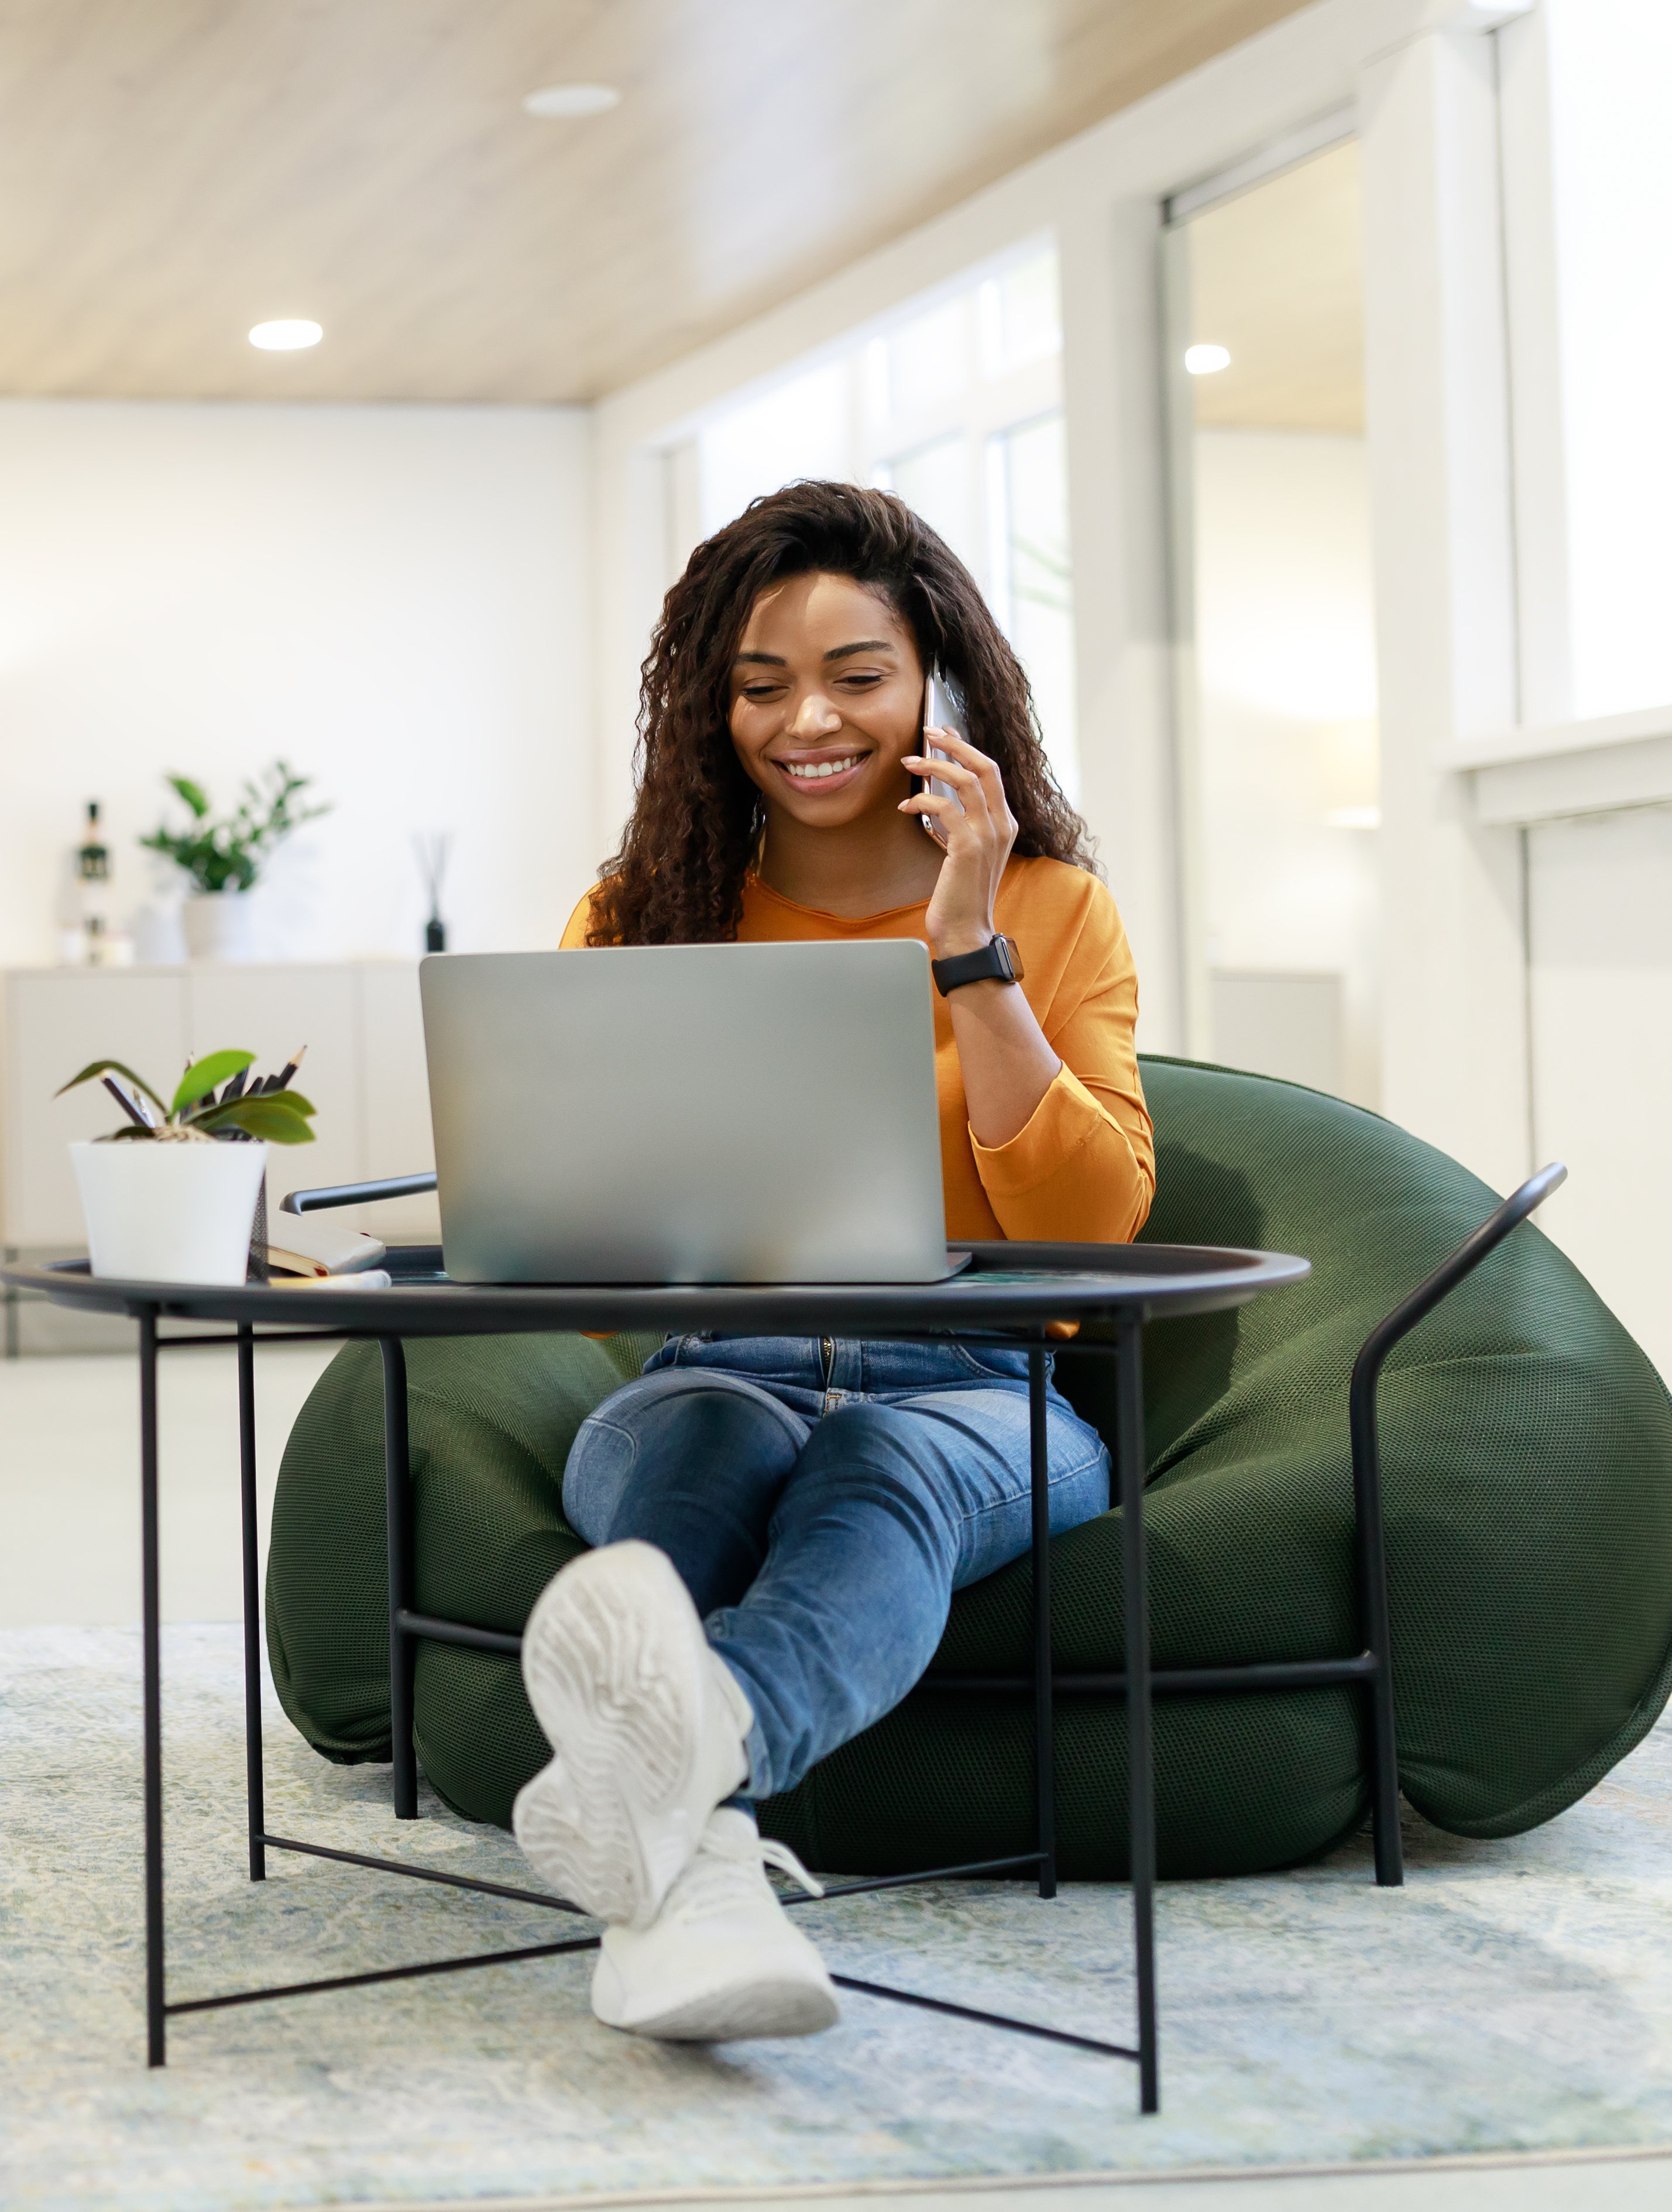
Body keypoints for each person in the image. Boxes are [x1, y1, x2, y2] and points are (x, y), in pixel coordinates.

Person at [509, 480, 1152, 2043]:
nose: (808, 717)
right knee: (708, 1444)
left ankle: (674, 1749)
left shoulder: (1052, 911)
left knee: (878, 1457)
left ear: (940, 680)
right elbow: (586, 1208)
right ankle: (696, 1851)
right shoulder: (646, 913)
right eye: (758, 682)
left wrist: (966, 944)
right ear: (710, 707)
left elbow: (1091, 1220)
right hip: (712, 1367)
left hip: (984, 1387)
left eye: (857, 673)